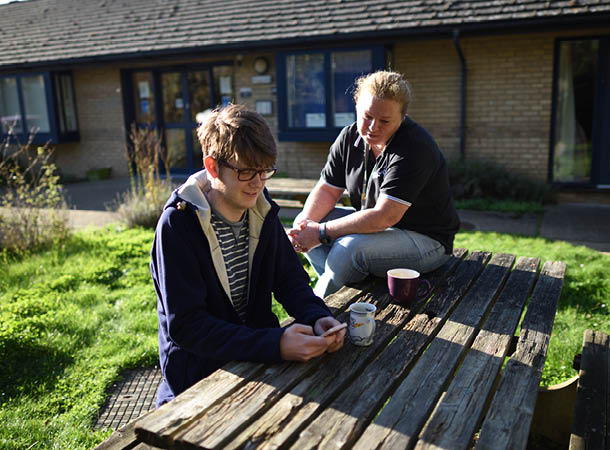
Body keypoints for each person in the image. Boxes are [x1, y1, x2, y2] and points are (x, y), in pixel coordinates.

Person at [150, 104, 345, 407]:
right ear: (212, 167)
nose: (258, 182)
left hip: (258, 363)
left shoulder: (260, 207)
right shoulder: (178, 224)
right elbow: (187, 326)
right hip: (196, 382)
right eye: (245, 171)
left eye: (265, 170)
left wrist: (317, 316)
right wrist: (276, 343)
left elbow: (289, 278)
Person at [288, 71, 460, 298]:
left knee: (347, 249)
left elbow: (385, 217)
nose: (373, 127)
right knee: (307, 222)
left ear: (402, 117)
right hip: (382, 230)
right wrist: (306, 225)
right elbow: (328, 190)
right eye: (367, 116)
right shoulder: (348, 137)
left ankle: (317, 314)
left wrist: (320, 232)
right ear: (356, 106)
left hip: (427, 241)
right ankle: (340, 288)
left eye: (385, 121)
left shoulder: (414, 147)